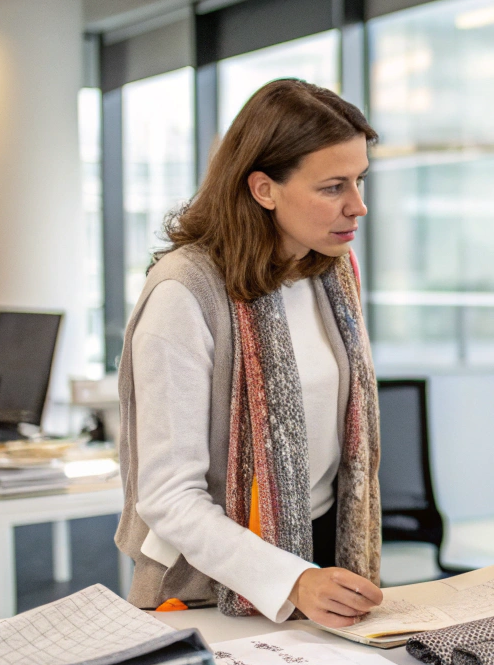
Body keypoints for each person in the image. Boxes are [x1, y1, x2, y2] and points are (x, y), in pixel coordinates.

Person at [115, 79, 385, 628]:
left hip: (320, 555)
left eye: (359, 180)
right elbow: (168, 497)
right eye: (333, 187)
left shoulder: (330, 274)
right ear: (264, 189)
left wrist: (310, 576)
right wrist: (292, 580)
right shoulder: (184, 294)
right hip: (208, 586)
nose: (357, 206)